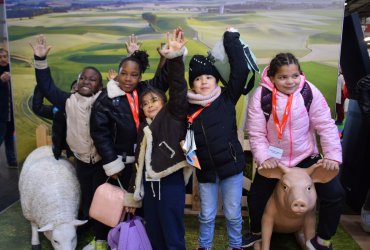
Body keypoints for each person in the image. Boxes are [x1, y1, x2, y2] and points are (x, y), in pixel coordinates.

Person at [90, 28, 178, 249]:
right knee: (114, 206)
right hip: (118, 164)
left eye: (134, 74)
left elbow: (162, 82)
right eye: (124, 73)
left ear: (140, 76)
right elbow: (99, 132)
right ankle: (109, 242)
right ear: (117, 73)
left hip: (141, 163)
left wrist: (166, 58)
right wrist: (112, 163)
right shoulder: (105, 98)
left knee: (139, 208)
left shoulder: (144, 91)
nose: (128, 79)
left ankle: (137, 242)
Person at [246, 52, 345, 250]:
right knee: (256, 196)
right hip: (276, 159)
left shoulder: (309, 92)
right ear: (272, 78)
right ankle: (256, 233)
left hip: (306, 155)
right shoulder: (262, 96)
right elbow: (256, 133)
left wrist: (333, 156)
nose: (290, 81)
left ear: (301, 74)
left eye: (295, 76)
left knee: (335, 193)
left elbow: (326, 126)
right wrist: (264, 157)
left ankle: (322, 240)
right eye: (283, 77)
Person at [30, 35, 107, 249]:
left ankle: (102, 239)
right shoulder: (67, 102)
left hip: (103, 162)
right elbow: (46, 86)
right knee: (86, 198)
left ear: (99, 86)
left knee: (101, 201)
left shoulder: (103, 101)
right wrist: (40, 59)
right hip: (82, 162)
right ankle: (85, 232)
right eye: (83, 78)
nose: (86, 81)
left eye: (92, 79)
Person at [122, 29, 191, 250]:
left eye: (154, 100)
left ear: (164, 103)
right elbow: (139, 163)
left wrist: (175, 58)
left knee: (172, 234)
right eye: (145, 103)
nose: (149, 104)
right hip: (149, 189)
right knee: (154, 234)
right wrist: (133, 196)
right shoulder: (144, 128)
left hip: (170, 184)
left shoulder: (173, 116)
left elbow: (179, 89)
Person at [186, 27, 250, 250]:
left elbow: (240, 71)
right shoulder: (186, 108)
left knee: (233, 214)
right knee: (206, 215)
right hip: (205, 172)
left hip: (231, 168)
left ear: (216, 79)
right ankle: (204, 246)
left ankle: (235, 245)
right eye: (198, 79)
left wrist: (231, 39)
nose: (203, 82)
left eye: (209, 77)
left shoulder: (226, 98)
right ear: (192, 83)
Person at [31, 80, 77, 159]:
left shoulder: (93, 109)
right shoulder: (59, 109)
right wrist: (40, 86)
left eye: (79, 88)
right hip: (65, 155)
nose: (76, 90)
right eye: (74, 88)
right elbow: (38, 108)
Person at [0, 48, 17, 167]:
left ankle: (11, 161)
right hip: (1, 112)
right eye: (0, 57)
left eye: (5, 56)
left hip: (11, 112)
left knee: (9, 137)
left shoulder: (13, 70)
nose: (3, 59)